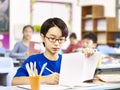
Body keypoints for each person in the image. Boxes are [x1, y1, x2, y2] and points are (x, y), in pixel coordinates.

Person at [12, 17, 69, 85]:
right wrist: (44, 79)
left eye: (61, 39)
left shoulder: (66, 61)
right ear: (43, 37)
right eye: (52, 38)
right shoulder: (33, 60)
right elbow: (14, 81)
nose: (57, 43)